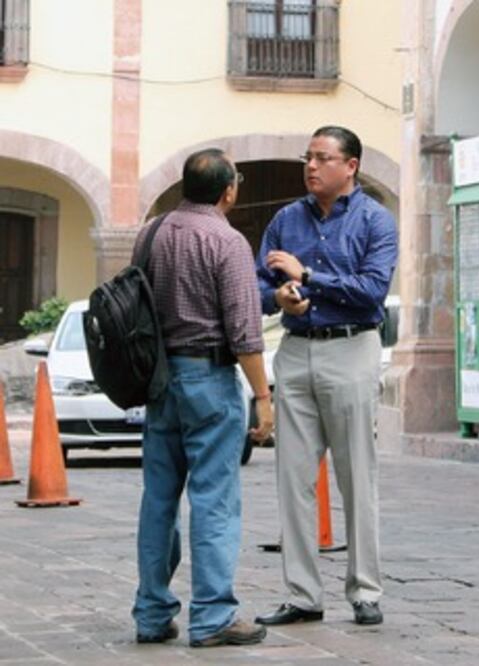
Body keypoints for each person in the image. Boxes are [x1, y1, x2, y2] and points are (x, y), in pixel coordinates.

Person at [255, 126, 397, 627]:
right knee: (291, 477)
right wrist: (279, 297)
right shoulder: (285, 219)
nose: (311, 167)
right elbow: (257, 284)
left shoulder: (375, 221)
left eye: (323, 158)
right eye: (307, 158)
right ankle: (302, 594)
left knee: (357, 473)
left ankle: (365, 590)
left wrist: (309, 276)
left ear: (351, 166)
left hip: (352, 348)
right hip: (295, 350)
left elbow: (372, 291)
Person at [131, 148, 273, 648]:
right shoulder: (226, 241)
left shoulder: (150, 232)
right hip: (208, 378)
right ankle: (212, 616)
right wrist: (263, 396)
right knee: (214, 498)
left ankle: (151, 613)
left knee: (159, 499)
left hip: (159, 380)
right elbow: (244, 331)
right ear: (228, 191)